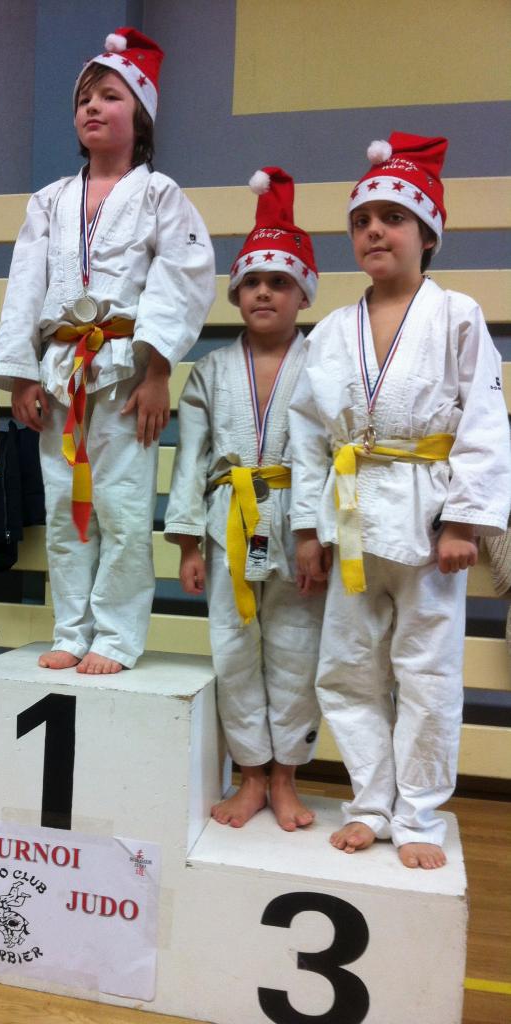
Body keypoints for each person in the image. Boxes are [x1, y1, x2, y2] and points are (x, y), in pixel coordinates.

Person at [290, 133, 511, 867]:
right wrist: (306, 531)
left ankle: (417, 815)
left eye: (393, 217)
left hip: (427, 518)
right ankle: (371, 803)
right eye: (362, 220)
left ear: (427, 234)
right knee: (347, 670)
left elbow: (482, 420)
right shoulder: (327, 333)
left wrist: (464, 521)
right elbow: (308, 440)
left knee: (427, 671)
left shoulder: (456, 317)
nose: (375, 231)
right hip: (350, 516)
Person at [0, 27, 215, 675]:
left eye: (109, 96)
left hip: (124, 374)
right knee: (64, 508)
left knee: (121, 507)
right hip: (60, 375)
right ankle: (71, 626)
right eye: (84, 97)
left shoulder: (159, 195)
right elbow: (27, 287)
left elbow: (184, 279)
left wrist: (159, 369)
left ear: (138, 115)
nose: (92, 107)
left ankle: (114, 635)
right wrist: (21, 377)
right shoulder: (49, 201)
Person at [165, 169, 325, 830]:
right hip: (227, 519)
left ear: (302, 294)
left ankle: (287, 777)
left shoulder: (324, 364)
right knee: (233, 649)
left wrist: (319, 533)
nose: (263, 293)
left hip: (297, 525)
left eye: (278, 282)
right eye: (252, 283)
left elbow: (327, 455)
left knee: (296, 649)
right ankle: (251, 775)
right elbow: (191, 458)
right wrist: (185, 542)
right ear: (235, 294)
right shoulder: (210, 370)